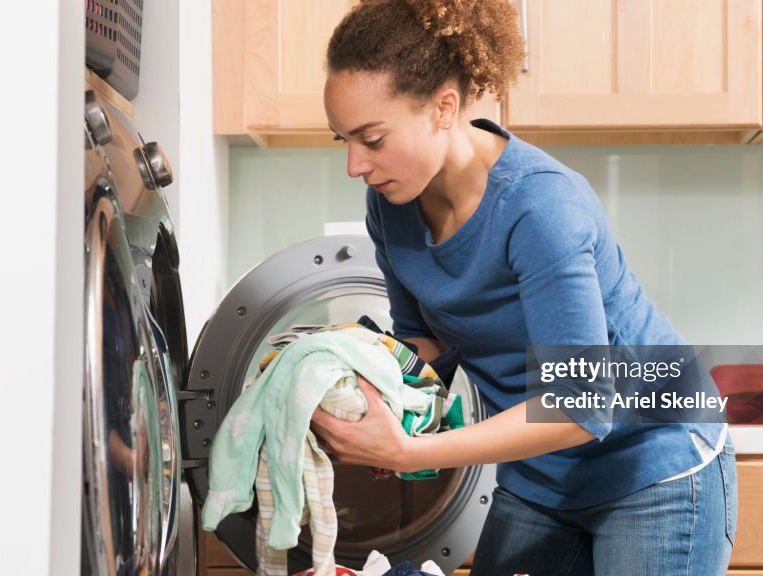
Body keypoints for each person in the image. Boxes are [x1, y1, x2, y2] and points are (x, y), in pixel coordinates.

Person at [310, 1, 737, 574]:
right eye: (344, 140)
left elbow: (580, 409)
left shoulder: (540, 207)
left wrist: (410, 450)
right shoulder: (391, 206)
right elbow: (425, 351)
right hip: (544, 474)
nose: (356, 165)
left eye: (373, 138)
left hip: (653, 460)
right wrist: (335, 382)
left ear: (444, 109)